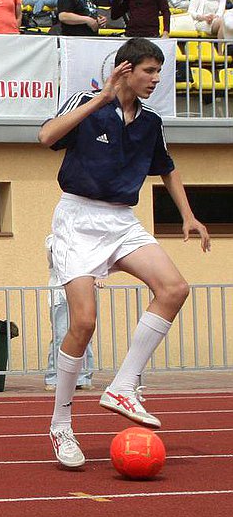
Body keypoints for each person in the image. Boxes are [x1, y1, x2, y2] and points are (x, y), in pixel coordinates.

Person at [38, 37, 209, 469]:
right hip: (77, 218)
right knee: (83, 323)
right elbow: (46, 137)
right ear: (126, 68)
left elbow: (166, 170)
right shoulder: (87, 102)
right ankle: (61, 425)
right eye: (149, 71)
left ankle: (123, 385)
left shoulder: (151, 122)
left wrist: (188, 215)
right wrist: (100, 98)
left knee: (174, 288)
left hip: (121, 220)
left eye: (158, 71)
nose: (156, 79)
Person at [43, 235, 94, 392]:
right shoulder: (53, 240)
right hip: (61, 294)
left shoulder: (86, 240)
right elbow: (58, 261)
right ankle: (54, 377)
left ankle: (83, 377)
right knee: (61, 337)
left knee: (85, 335)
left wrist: (96, 276)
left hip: (83, 294)